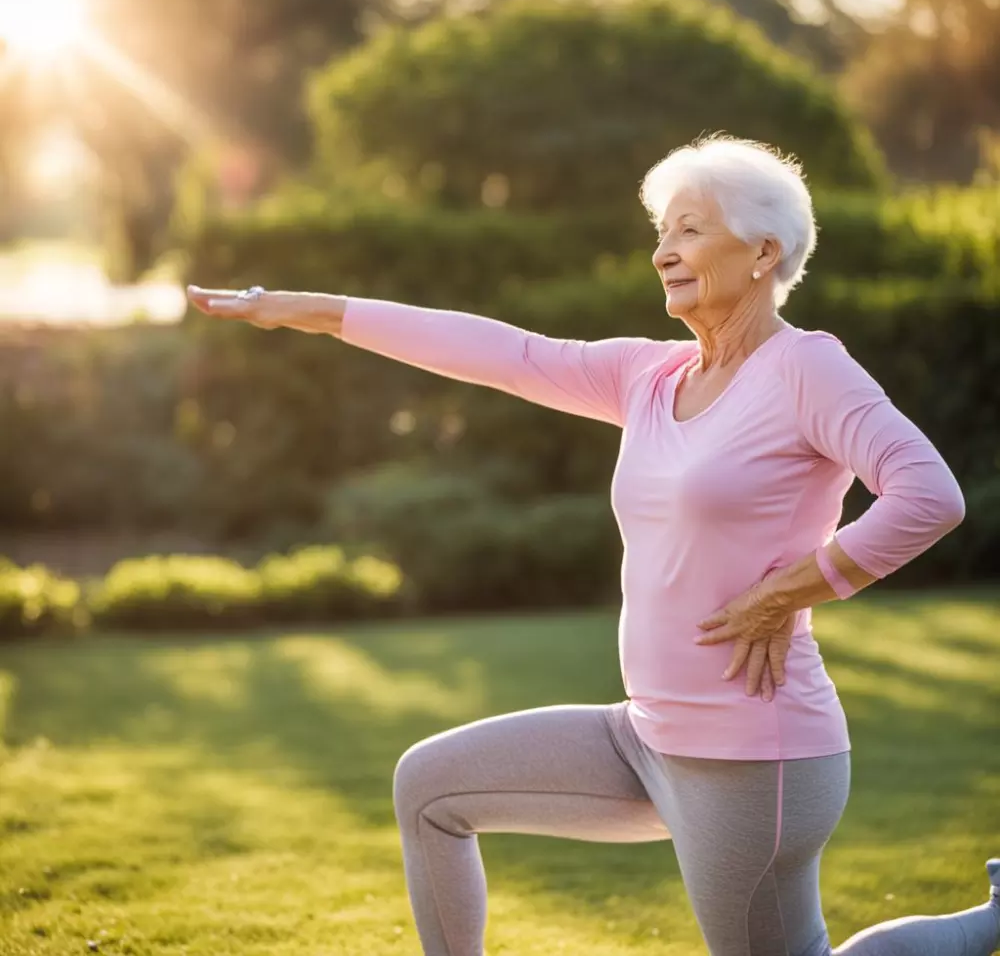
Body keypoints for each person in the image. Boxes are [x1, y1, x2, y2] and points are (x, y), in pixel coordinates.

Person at [187, 134, 1000, 956]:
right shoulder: (649, 378)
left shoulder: (807, 371)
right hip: (644, 737)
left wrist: (790, 589)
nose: (662, 252)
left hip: (755, 757)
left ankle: (991, 923)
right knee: (430, 789)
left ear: (763, 251)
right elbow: (505, 353)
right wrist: (310, 311)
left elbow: (930, 496)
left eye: (688, 229)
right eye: (662, 231)